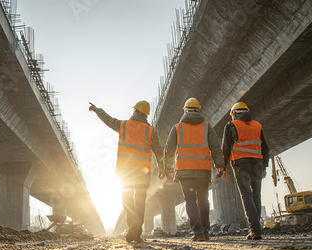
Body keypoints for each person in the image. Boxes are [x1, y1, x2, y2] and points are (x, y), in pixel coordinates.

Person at [89, 100, 165, 242]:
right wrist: (161, 167)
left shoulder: (123, 125)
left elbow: (108, 119)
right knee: (140, 200)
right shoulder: (151, 131)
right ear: (146, 115)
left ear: (136, 112)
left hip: (126, 172)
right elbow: (159, 151)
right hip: (144, 172)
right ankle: (137, 232)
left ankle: (133, 223)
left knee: (127, 198)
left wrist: (97, 109)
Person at [164, 98, 224, 241]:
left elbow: (169, 150)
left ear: (185, 110)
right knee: (203, 200)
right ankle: (206, 231)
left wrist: (168, 168)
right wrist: (220, 166)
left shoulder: (177, 128)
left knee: (190, 200)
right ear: (198, 110)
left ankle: (197, 231)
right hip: (203, 170)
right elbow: (215, 147)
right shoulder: (206, 127)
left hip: (184, 171)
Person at [221, 102, 270, 240]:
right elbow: (265, 148)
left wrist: (222, 167)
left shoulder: (231, 125)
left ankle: (255, 230)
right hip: (258, 164)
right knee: (256, 197)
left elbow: (225, 148)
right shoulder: (257, 125)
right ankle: (256, 229)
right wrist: (265, 166)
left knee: (247, 196)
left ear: (234, 114)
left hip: (241, 165)